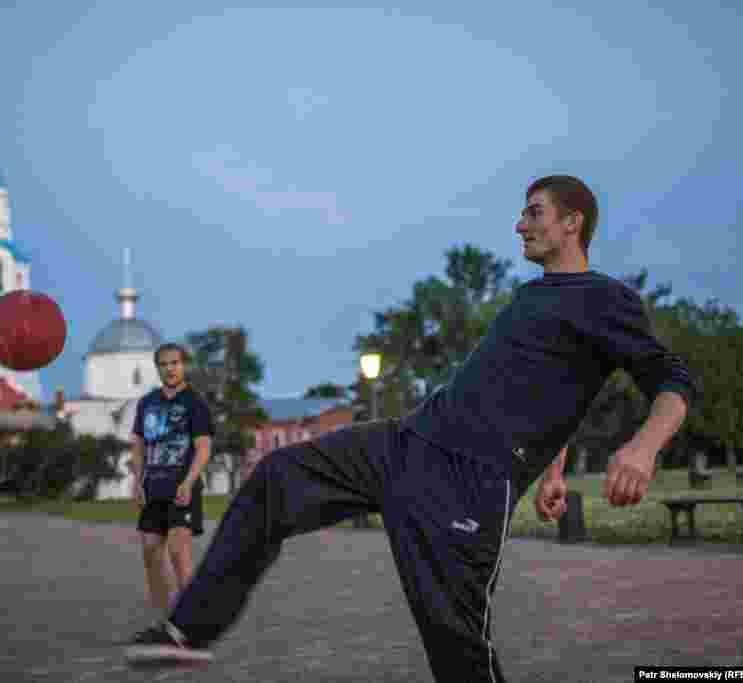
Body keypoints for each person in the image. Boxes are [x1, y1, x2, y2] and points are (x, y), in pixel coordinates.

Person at [125, 176, 696, 682]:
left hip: (466, 480)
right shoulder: (533, 295)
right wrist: (555, 468)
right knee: (276, 476)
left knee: (456, 646)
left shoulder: (605, 299)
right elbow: (546, 388)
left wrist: (641, 450)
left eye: (535, 211)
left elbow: (674, 381)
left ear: (573, 222)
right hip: (405, 443)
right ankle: (190, 629)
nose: (520, 224)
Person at [130, 342, 214, 617]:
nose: (169, 369)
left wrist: (189, 482)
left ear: (183, 365)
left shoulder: (195, 403)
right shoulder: (147, 403)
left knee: (179, 551)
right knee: (150, 551)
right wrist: (137, 481)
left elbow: (203, 448)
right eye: (163, 364)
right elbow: (139, 445)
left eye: (174, 363)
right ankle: (166, 618)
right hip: (153, 487)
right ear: (157, 368)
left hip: (182, 488)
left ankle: (193, 620)